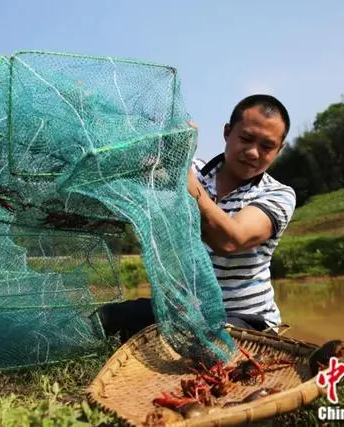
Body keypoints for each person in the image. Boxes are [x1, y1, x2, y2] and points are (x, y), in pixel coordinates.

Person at [96, 94, 295, 342]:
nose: (254, 153)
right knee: (106, 319)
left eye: (267, 146)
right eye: (245, 139)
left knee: (203, 344)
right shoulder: (195, 171)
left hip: (244, 316)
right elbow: (143, 166)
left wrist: (183, 178)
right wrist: (170, 144)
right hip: (185, 310)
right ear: (227, 132)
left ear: (279, 149)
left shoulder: (278, 194)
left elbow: (231, 240)